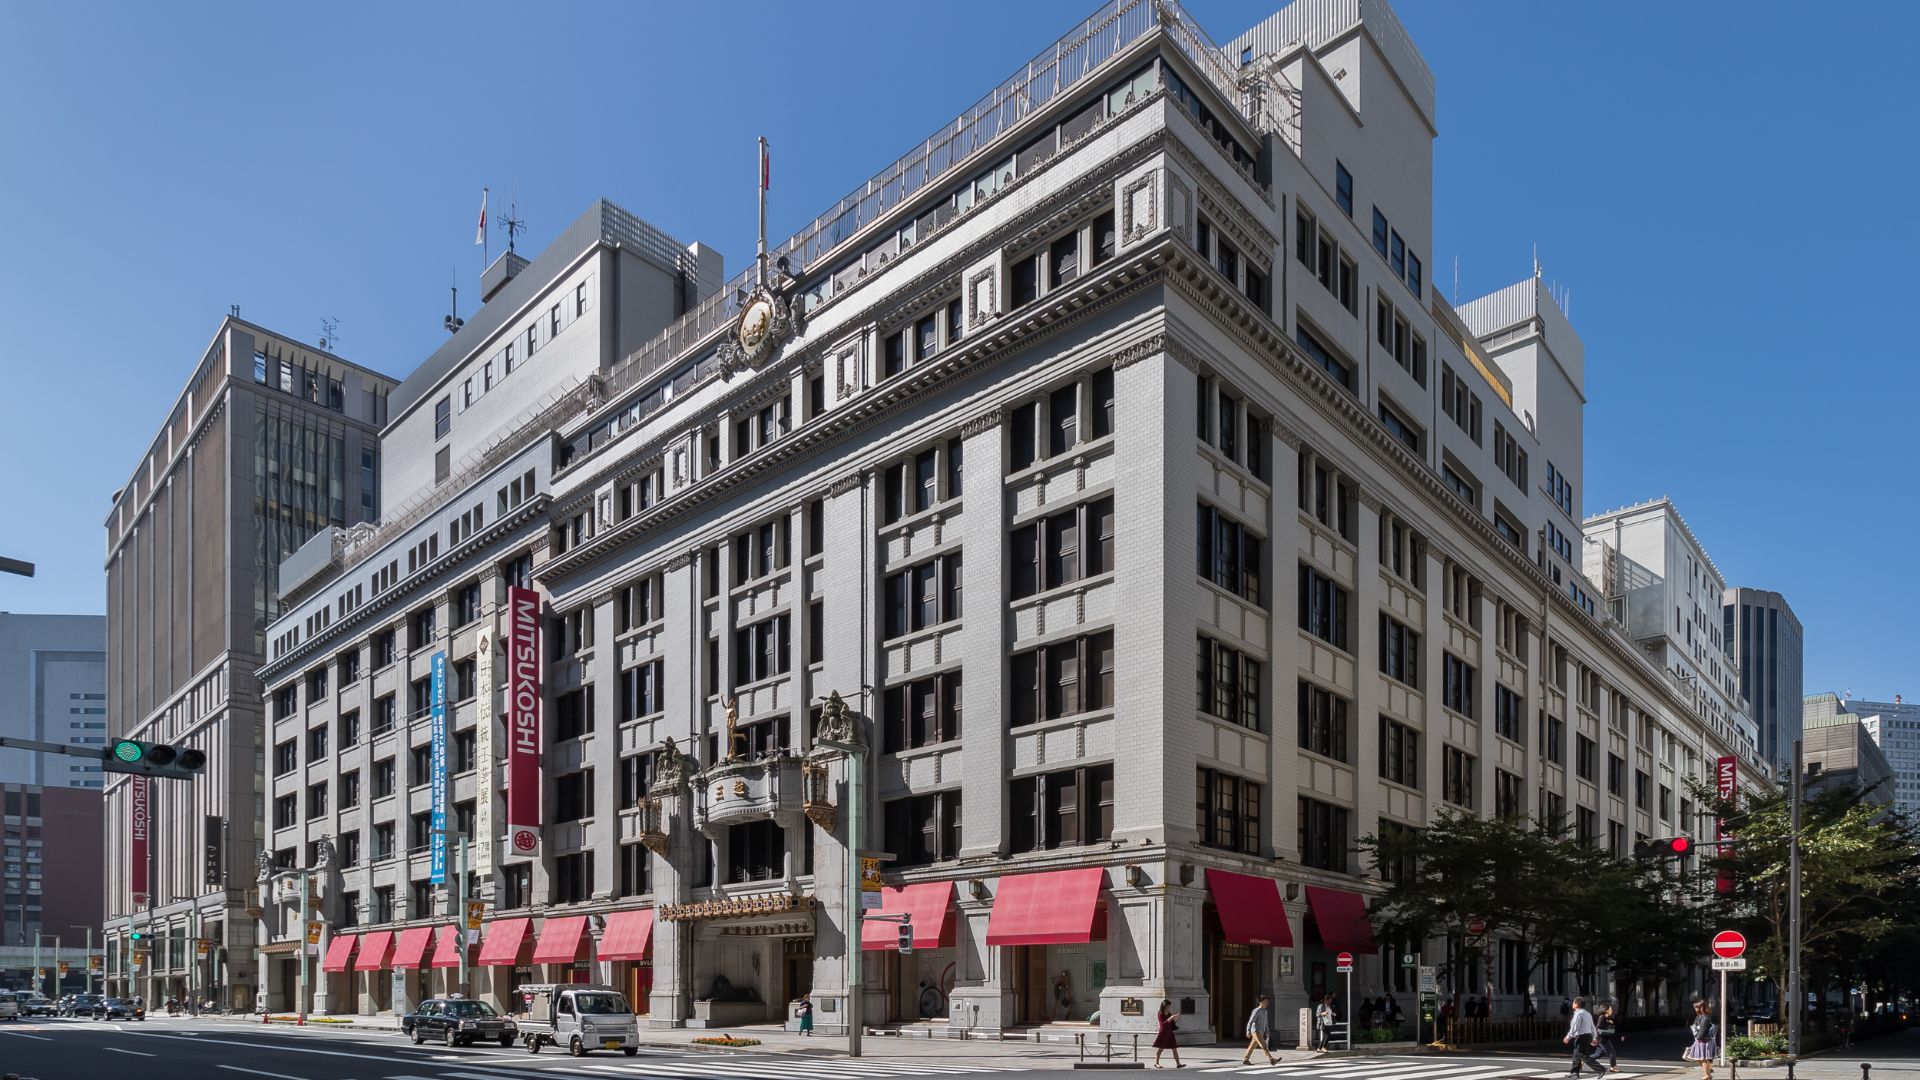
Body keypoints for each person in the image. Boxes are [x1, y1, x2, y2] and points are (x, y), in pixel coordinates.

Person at [1563, 995, 1613, 1077]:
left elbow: (1575, 1027)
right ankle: (1574, 1072)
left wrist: (1568, 1037)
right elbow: (1592, 1027)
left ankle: (1601, 1069)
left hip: (1581, 1036)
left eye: (1574, 1002)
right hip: (1588, 1036)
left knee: (1582, 1055)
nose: (1572, 1004)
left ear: (1577, 1004)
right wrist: (1594, 1038)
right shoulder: (1587, 1014)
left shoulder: (1578, 1014)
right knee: (1576, 1054)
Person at [1683, 1000, 1717, 1080]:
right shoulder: (1700, 1017)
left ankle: (1707, 1075)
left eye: (1696, 1007)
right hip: (1701, 1040)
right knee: (1697, 1057)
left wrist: (1698, 1038)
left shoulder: (1705, 1017)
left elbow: (1703, 1029)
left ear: (1701, 1008)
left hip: (1704, 1040)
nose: (1695, 1009)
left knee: (1702, 1058)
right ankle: (1708, 1070)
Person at [1242, 994, 1277, 1066]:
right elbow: (1250, 1021)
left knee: (1252, 1046)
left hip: (1261, 1032)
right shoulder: (1256, 1011)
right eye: (1265, 1001)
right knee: (1263, 1045)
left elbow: (1266, 1023)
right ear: (1260, 1002)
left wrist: (1267, 1032)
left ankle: (1246, 1059)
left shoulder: (1265, 1011)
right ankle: (1271, 1059)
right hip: (1256, 1031)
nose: (1266, 1003)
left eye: (1267, 1002)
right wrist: (1248, 1031)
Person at [1152, 999, 1184, 1069]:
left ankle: (1178, 1064)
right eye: (1168, 1006)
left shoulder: (1169, 1013)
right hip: (1163, 1032)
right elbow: (1163, 1024)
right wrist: (1171, 1018)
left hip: (1170, 1032)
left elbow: (1171, 1024)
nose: (1169, 1007)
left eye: (1169, 1006)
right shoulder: (1160, 1013)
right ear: (1164, 1006)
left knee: (1174, 1048)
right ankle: (1156, 1063)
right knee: (1161, 1048)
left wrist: (1175, 1019)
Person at [1595, 1003, 1622, 1068]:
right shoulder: (1602, 1017)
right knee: (1611, 1053)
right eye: (1610, 1009)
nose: (1611, 1011)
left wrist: (1608, 1022)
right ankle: (1613, 1066)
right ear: (1606, 1010)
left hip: (1602, 1039)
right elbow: (1598, 1027)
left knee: (1598, 1054)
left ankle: (1585, 1059)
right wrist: (1608, 1022)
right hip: (1603, 1039)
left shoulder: (1606, 1017)